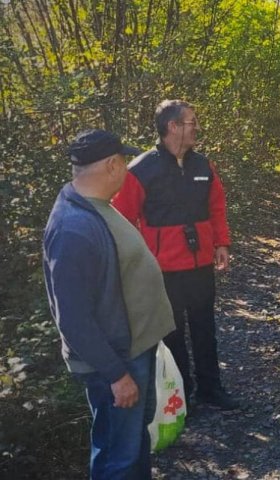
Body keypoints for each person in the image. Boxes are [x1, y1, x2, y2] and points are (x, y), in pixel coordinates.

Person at [43, 129, 176, 479]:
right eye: (125, 163)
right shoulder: (73, 229)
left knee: (132, 446)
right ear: (113, 165)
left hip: (133, 350)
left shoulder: (95, 208)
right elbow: (71, 318)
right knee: (117, 456)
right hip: (117, 361)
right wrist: (117, 375)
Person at [112, 100, 239, 410]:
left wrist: (221, 243)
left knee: (204, 328)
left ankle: (211, 389)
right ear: (172, 126)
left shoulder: (203, 165)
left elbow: (216, 206)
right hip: (162, 271)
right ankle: (180, 396)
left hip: (200, 265)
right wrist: (135, 264)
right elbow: (122, 218)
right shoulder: (141, 170)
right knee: (171, 335)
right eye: (191, 122)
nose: (196, 127)